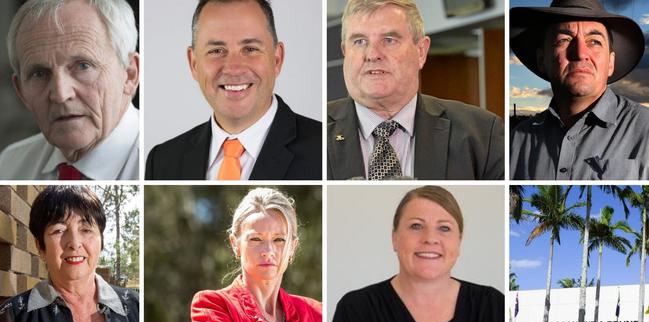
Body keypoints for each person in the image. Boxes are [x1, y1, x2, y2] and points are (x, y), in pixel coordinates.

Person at [327, 0, 504, 180]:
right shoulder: (314, 133)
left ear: (421, 51)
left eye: (389, 40)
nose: (372, 54)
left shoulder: (483, 134)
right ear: (345, 52)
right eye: (359, 41)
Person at [145, 0, 321, 180]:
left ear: (277, 59)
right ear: (194, 63)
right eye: (217, 51)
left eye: (250, 49)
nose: (234, 68)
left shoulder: (323, 150)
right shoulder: (161, 161)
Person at [328, 186, 503, 322]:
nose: (430, 238)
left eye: (444, 228)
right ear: (394, 238)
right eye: (416, 226)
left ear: (459, 242)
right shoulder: (357, 311)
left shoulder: (494, 308)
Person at [0, 0, 140, 180]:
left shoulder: (154, 166)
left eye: (83, 66)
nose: (60, 94)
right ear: (21, 92)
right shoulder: (9, 165)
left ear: (129, 74)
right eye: (39, 74)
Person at [510, 0, 648, 180]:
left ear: (610, 63)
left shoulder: (644, 129)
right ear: (542, 60)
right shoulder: (518, 139)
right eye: (564, 39)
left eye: (594, 41)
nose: (580, 53)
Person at [0, 186, 139, 322]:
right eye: (59, 230)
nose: (74, 243)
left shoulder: (135, 307)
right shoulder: (13, 317)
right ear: (40, 246)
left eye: (86, 229)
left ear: (101, 241)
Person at [191, 188, 322, 322]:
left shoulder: (317, 314)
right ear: (235, 244)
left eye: (279, 240)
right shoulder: (212, 306)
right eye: (255, 239)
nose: (268, 251)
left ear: (293, 247)